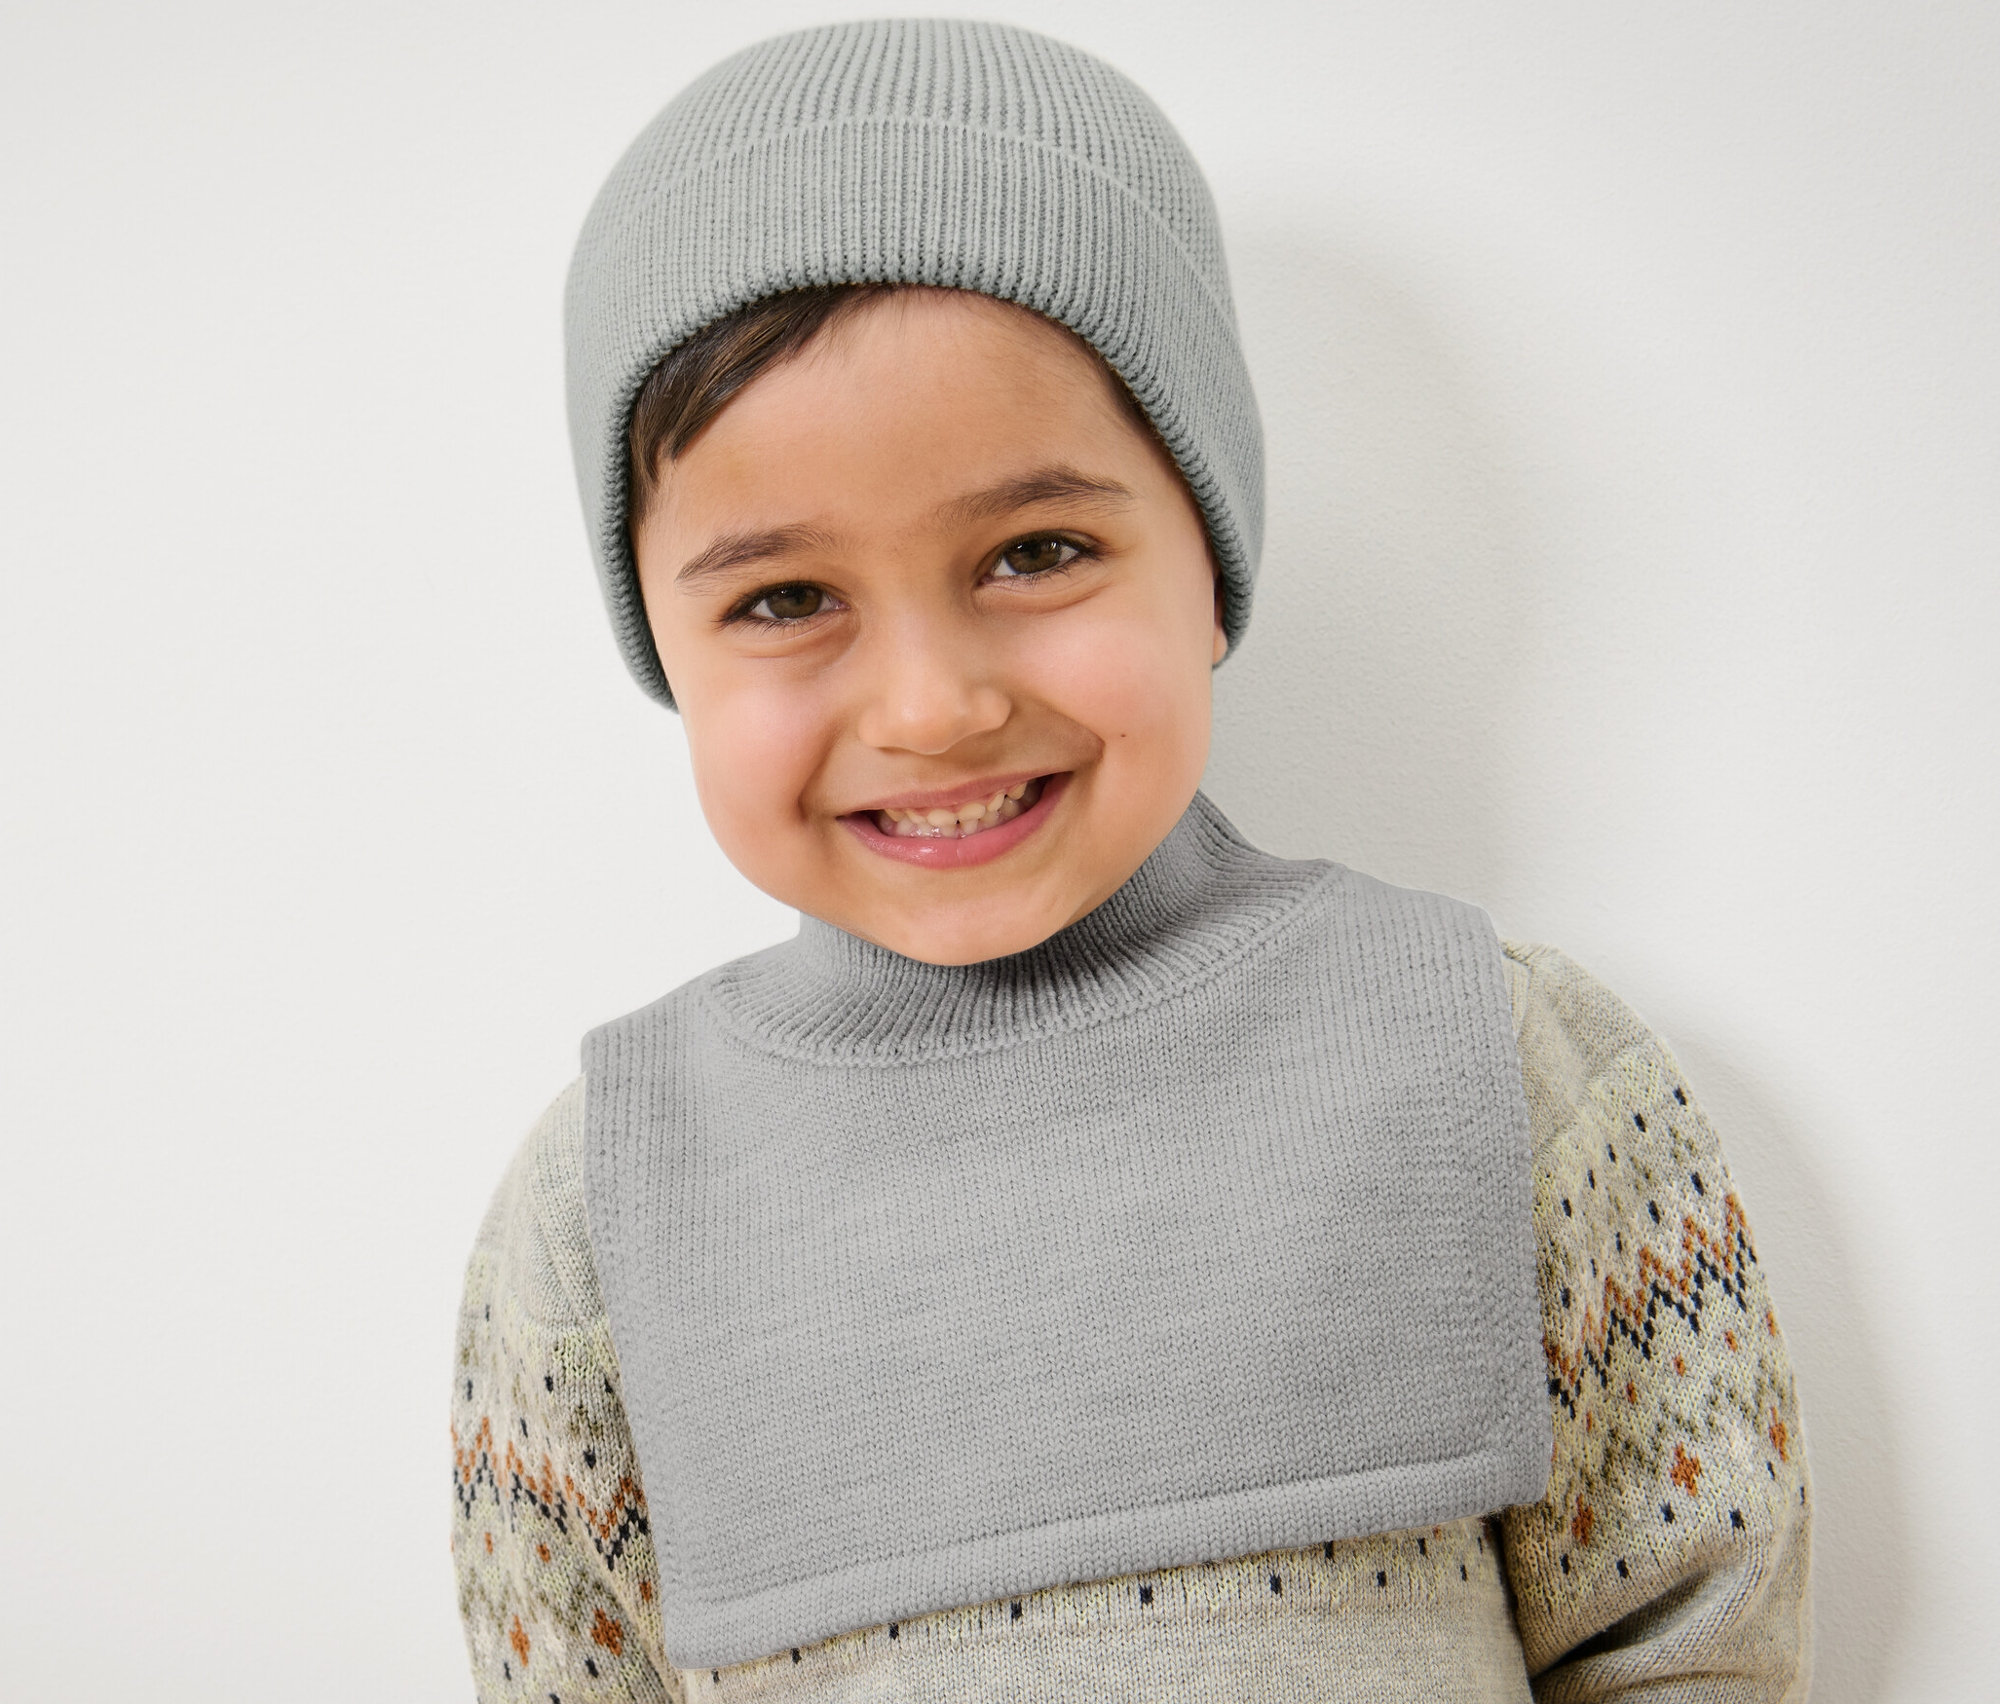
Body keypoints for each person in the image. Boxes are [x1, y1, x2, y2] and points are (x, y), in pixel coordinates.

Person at [449, 19, 1811, 1701]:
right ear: (662, 643)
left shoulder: (1491, 1060)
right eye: (785, 599)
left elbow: (1696, 1641)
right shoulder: (605, 1210)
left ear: (1209, 555)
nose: (934, 706)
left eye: (1036, 550)